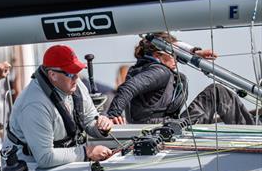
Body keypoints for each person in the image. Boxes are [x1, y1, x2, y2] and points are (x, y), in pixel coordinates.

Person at [106, 33, 255, 125]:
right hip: (165, 129)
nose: (177, 59)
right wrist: (112, 114)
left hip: (163, 126)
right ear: (158, 55)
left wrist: (193, 52)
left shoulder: (142, 67)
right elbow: (128, 87)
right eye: (174, 55)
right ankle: (253, 132)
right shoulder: (159, 72)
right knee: (217, 93)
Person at [4, 44, 114, 168]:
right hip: (28, 167)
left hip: (64, 161)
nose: (76, 78)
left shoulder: (76, 85)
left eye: (77, 72)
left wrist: (101, 127)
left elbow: (90, 120)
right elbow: (45, 157)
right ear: (53, 75)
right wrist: (87, 152)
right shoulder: (35, 105)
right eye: (70, 73)